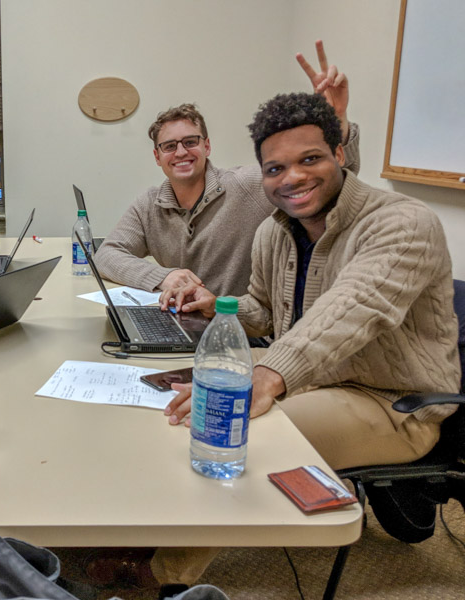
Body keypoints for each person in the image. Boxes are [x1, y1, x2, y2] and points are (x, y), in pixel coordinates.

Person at [152, 91, 461, 586]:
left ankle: (168, 579)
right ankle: (142, 532)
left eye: (310, 159)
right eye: (275, 169)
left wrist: (268, 375)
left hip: (390, 402)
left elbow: (351, 309)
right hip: (312, 380)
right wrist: (218, 305)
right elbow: (264, 312)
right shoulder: (275, 233)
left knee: (235, 429)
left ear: (340, 154)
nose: (292, 177)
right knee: (165, 398)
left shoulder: (403, 222)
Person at [94, 41, 359, 296]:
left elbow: (332, 181)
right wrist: (163, 277)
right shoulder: (149, 205)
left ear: (207, 146)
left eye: (190, 142)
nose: (182, 152)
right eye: (170, 146)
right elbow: (107, 255)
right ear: (157, 156)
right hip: (178, 326)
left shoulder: (248, 185)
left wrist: (337, 122)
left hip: (243, 328)